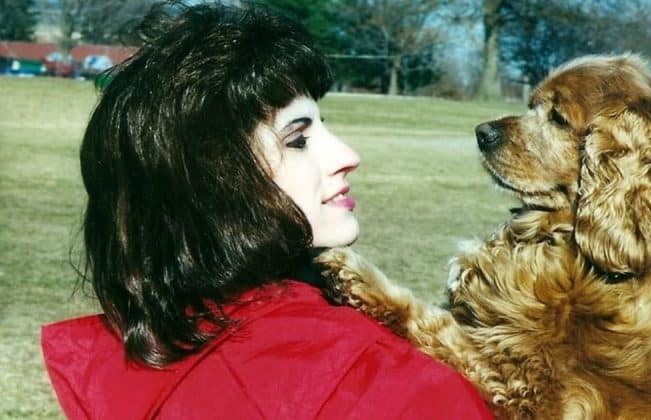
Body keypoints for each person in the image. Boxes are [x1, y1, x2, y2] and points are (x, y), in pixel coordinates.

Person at [40, 3, 494, 419]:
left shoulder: (137, 367)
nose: (347, 154)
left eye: (324, 126)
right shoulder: (393, 387)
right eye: (297, 138)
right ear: (213, 180)